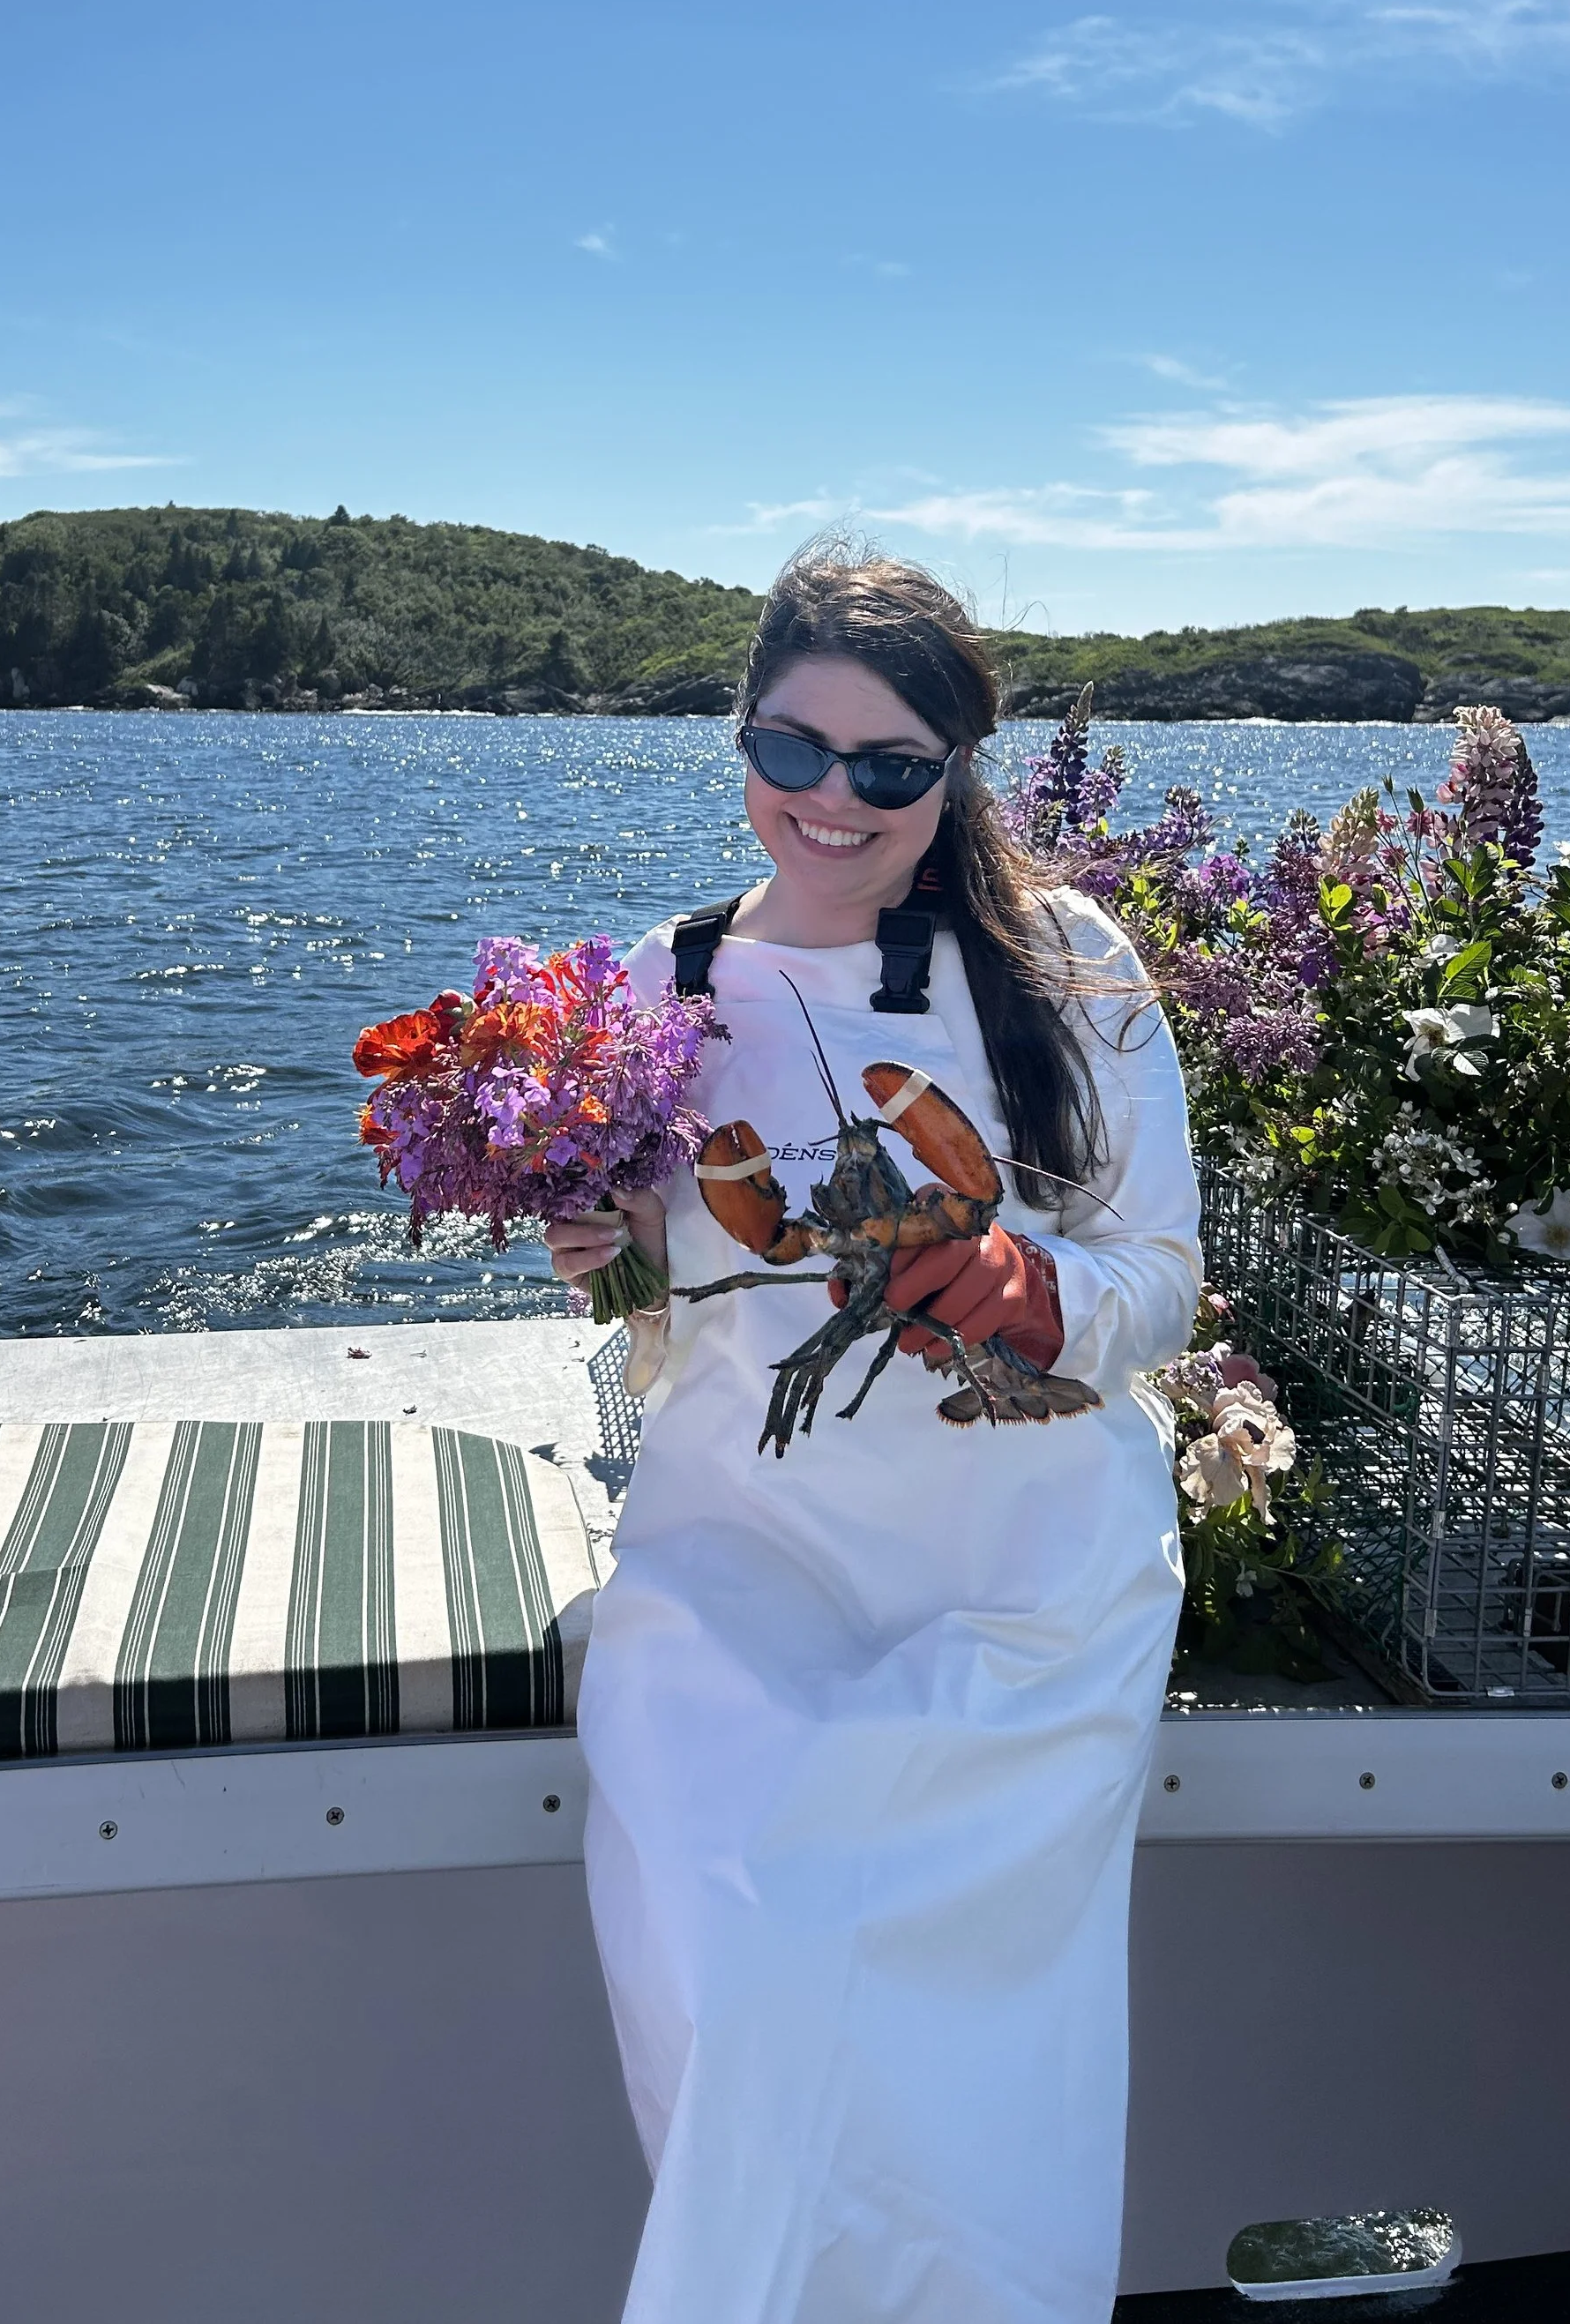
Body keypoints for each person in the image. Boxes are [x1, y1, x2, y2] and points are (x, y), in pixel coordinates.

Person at [548, 541, 1200, 2324]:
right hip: (729, 1572)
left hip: (1020, 1589)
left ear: (952, 771)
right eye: (790, 748)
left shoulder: (1060, 962)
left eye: (889, 767)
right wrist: (604, 1257)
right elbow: (664, 1320)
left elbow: (1155, 1274)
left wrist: (1036, 1287)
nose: (829, 799)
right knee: (717, 1970)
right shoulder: (651, 982)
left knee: (907, 2034)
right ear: (739, 736)